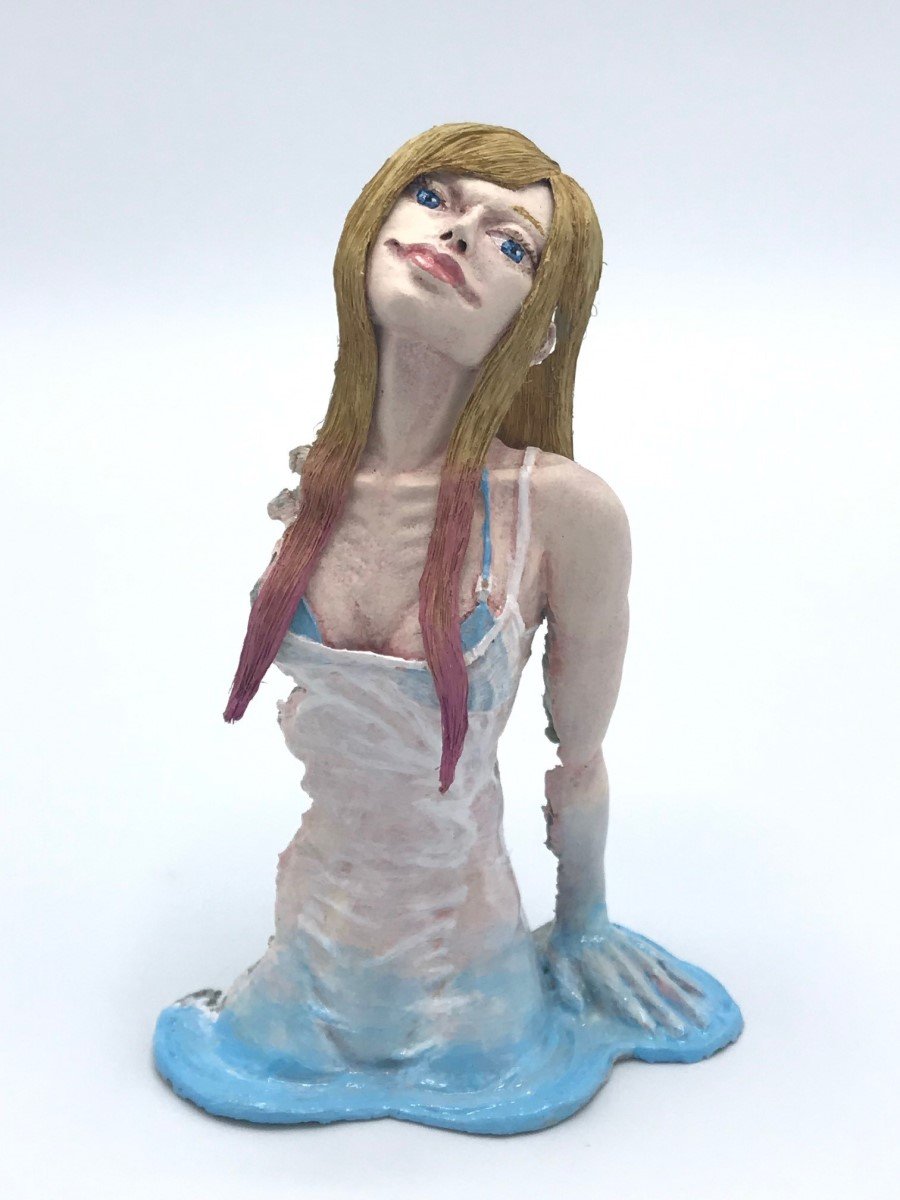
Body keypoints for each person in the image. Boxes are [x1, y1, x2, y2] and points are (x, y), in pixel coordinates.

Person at [153, 122, 743, 1135]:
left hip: (471, 994)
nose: (459, 232)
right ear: (371, 225)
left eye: (512, 243)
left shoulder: (560, 513)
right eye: (434, 196)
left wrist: (586, 927)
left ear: (539, 330)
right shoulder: (316, 488)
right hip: (295, 980)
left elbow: (579, 755)